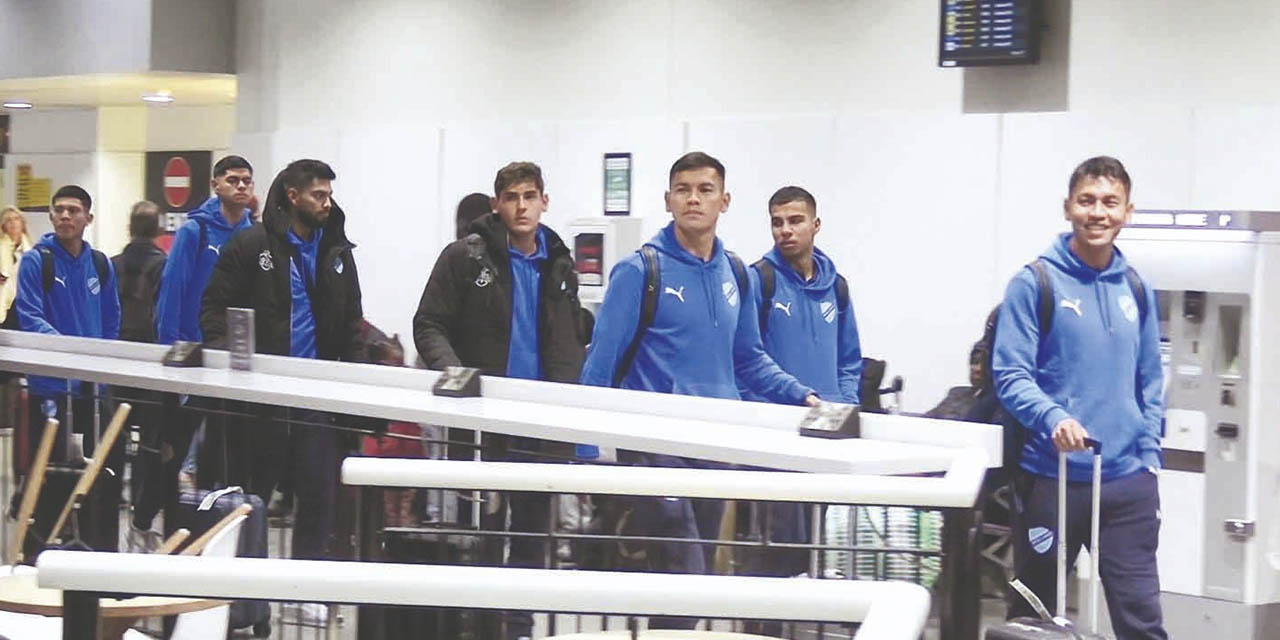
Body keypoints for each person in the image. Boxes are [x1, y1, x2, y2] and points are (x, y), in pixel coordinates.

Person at [579, 151, 817, 630]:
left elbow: (748, 358)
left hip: (715, 446)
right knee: (681, 565)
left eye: (705, 190)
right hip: (654, 449)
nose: (694, 199)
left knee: (697, 576)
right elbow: (599, 364)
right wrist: (587, 457)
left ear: (724, 201)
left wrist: (803, 397)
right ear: (668, 200)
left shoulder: (737, 273)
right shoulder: (638, 271)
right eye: (683, 190)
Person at [993, 156, 1166, 639]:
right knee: (1036, 618)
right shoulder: (1035, 282)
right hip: (1053, 480)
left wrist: (1148, 452)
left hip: (1127, 484)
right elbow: (1009, 374)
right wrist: (1053, 417)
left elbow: (1151, 378)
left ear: (1128, 211)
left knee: (1141, 618)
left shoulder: (1137, 287)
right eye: (1087, 200)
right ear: (1067, 207)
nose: (1098, 212)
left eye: (1110, 202)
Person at [414, 162, 585, 640]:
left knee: (533, 534)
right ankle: (484, 627)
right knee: (485, 533)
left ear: (545, 201)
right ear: (496, 204)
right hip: (484, 421)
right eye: (512, 197)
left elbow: (569, 337)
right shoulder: (465, 258)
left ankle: (520, 629)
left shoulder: (559, 262)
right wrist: (454, 372)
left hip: (540, 422)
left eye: (530, 196)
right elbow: (429, 323)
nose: (522, 206)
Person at [201, 159, 365, 567]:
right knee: (251, 497)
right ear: (293, 197)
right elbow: (214, 309)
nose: (327, 203)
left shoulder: (336, 251)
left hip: (316, 397)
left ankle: (302, 591)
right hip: (261, 400)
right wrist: (232, 364)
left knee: (317, 495)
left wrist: (354, 379)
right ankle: (245, 595)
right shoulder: (250, 245)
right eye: (318, 195)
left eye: (329, 195)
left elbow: (352, 322)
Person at [736, 186, 862, 635]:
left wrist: (842, 405)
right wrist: (799, 397)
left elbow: (850, 360)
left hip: (825, 438)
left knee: (814, 548)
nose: (785, 230)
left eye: (794, 220)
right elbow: (747, 358)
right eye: (777, 222)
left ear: (815, 224)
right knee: (775, 550)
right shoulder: (758, 279)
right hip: (774, 440)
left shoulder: (838, 287)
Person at [14, 185, 121, 555]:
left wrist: (98, 363)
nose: (64, 216)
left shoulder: (101, 264)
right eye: (58, 210)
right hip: (51, 389)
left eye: (73, 210)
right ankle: (37, 552)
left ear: (88, 218)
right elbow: (30, 317)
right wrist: (70, 355)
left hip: (92, 390)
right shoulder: (36, 261)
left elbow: (111, 321)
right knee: (47, 474)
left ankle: (95, 547)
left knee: (99, 471)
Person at [110, 201, 171, 534]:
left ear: (129, 228)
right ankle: (141, 509)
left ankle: (111, 491)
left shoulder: (110, 265)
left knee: (114, 433)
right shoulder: (164, 266)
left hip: (116, 360)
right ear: (159, 230)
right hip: (150, 363)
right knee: (149, 440)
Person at [156, 154, 255, 345]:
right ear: (215, 185)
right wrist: (168, 343)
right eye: (232, 180)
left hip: (238, 345)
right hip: (194, 343)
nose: (241, 186)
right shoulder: (194, 230)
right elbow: (173, 289)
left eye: (247, 181)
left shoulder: (255, 234)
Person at [0, 205, 32, 325]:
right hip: (3, 303)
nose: (13, 223)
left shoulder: (31, 251)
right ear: (3, 226)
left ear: (22, 223)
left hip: (22, 303)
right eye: (9, 220)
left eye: (16, 219)